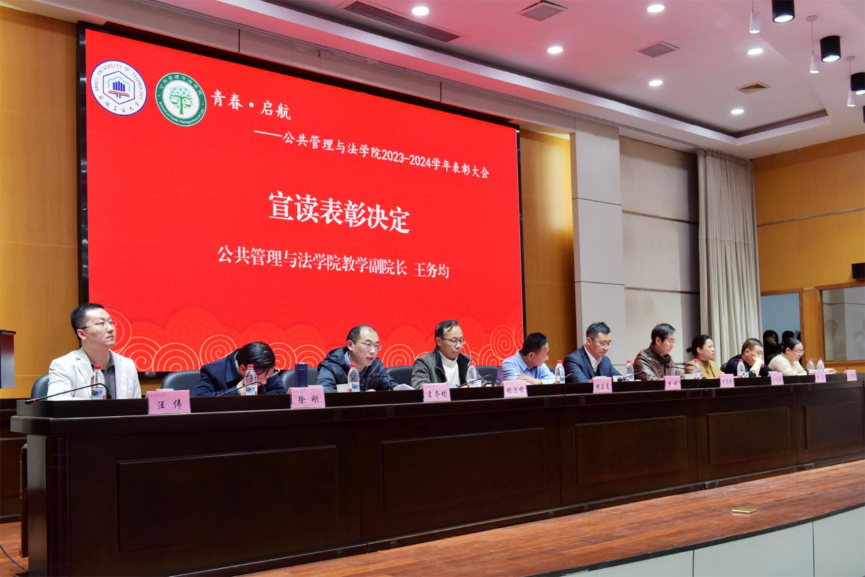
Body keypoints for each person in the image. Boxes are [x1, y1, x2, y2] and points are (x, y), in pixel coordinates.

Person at [47, 303, 141, 400]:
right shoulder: (64, 365)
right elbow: (57, 399)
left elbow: (138, 406)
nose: (111, 328)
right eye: (101, 323)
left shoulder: (127, 365)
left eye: (110, 322)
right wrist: (97, 406)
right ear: (82, 334)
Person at [317, 325, 397, 392]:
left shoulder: (376, 366)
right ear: (350, 345)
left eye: (376, 346)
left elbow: (394, 389)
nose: (373, 351)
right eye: (368, 344)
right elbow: (323, 394)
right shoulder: (331, 366)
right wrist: (362, 398)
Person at [192, 341, 286, 396]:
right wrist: (237, 391)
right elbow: (198, 398)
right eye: (261, 379)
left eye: (268, 377)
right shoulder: (212, 371)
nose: (265, 382)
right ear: (243, 369)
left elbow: (280, 392)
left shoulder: (265, 368)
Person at [411, 320, 475, 388]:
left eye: (461, 340)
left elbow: (479, 383)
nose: (459, 346)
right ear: (439, 341)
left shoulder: (466, 360)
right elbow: (419, 387)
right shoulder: (424, 362)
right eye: (453, 340)